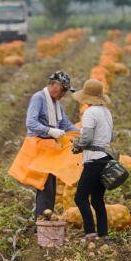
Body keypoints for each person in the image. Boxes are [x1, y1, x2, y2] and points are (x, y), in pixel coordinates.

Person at [9, 71, 81, 218]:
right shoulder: (39, 98)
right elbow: (31, 122)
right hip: (38, 145)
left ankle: (44, 218)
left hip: (50, 148)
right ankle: (42, 219)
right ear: (54, 85)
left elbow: (66, 125)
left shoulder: (56, 104)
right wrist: (49, 130)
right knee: (44, 185)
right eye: (63, 90)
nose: (63, 94)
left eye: (66, 91)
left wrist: (82, 132)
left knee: (50, 185)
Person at [71, 79, 114, 241]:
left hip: (94, 161)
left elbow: (87, 138)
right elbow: (111, 136)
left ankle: (90, 233)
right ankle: (103, 234)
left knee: (80, 197)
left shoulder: (89, 113)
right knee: (97, 199)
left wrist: (78, 145)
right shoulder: (106, 112)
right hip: (105, 158)